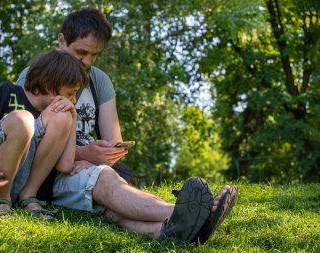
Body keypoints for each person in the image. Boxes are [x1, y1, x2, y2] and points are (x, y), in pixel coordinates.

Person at [16, 8, 238, 243]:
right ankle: (188, 212)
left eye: (94, 55)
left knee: (114, 201)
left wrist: (105, 153)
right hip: (50, 174)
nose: (87, 62)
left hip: (85, 169)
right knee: (105, 180)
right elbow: (23, 138)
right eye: (81, 52)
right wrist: (80, 155)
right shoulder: (36, 75)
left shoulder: (99, 80)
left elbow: (114, 139)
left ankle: (169, 230)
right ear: (61, 40)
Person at [0, 50, 89, 220]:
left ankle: (28, 196)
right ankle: (0, 198)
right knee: (23, 118)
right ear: (50, 87)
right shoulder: (6, 91)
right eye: (71, 93)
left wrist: (73, 116)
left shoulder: (56, 116)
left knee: (62, 115)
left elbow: (64, 166)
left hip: (21, 182)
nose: (73, 100)